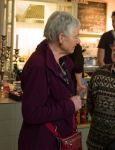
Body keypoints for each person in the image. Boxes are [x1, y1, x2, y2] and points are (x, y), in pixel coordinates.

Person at [18, 11, 82, 150]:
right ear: (61, 37)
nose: (78, 41)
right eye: (76, 36)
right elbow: (31, 113)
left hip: (56, 140)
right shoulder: (38, 66)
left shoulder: (63, 62)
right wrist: (70, 105)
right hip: (41, 142)